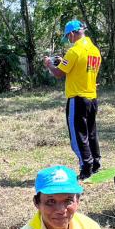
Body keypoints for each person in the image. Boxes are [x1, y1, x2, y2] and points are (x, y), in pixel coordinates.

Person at [43, 20, 103, 180]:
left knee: (78, 135)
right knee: (91, 132)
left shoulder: (75, 51)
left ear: (71, 34)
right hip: (92, 97)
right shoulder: (95, 50)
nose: (68, 40)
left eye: (67, 37)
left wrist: (49, 64)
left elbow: (59, 73)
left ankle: (86, 166)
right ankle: (96, 163)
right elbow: (79, 69)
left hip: (77, 99)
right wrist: (62, 61)